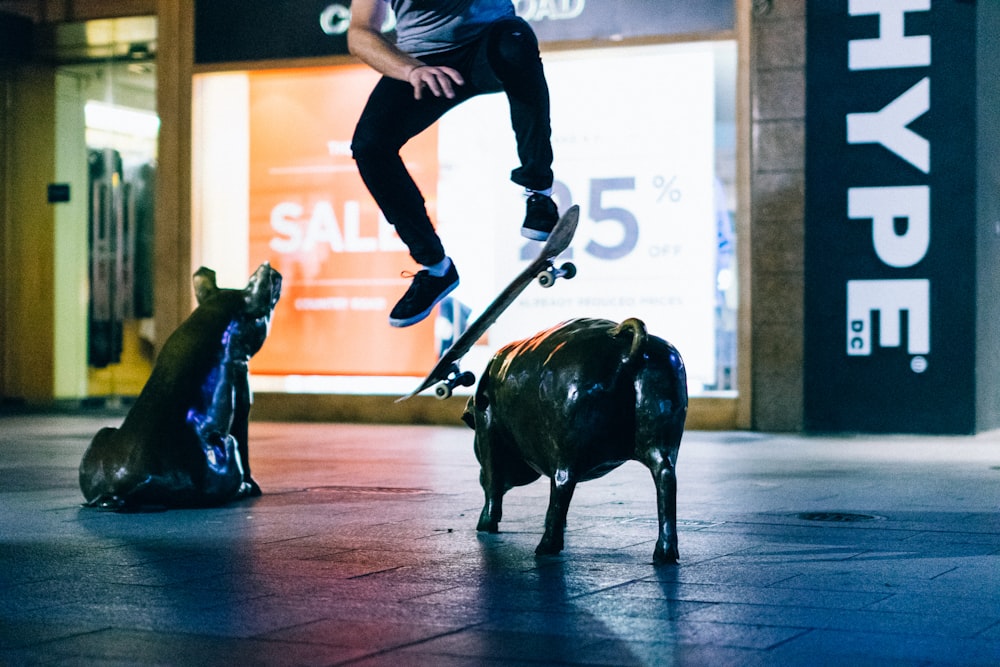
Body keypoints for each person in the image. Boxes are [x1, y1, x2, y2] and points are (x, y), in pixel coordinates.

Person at [349, 0, 559, 328]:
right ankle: (435, 268)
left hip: (490, 45)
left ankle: (539, 192)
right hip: (422, 62)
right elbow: (360, 33)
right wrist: (410, 70)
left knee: (516, 39)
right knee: (369, 146)